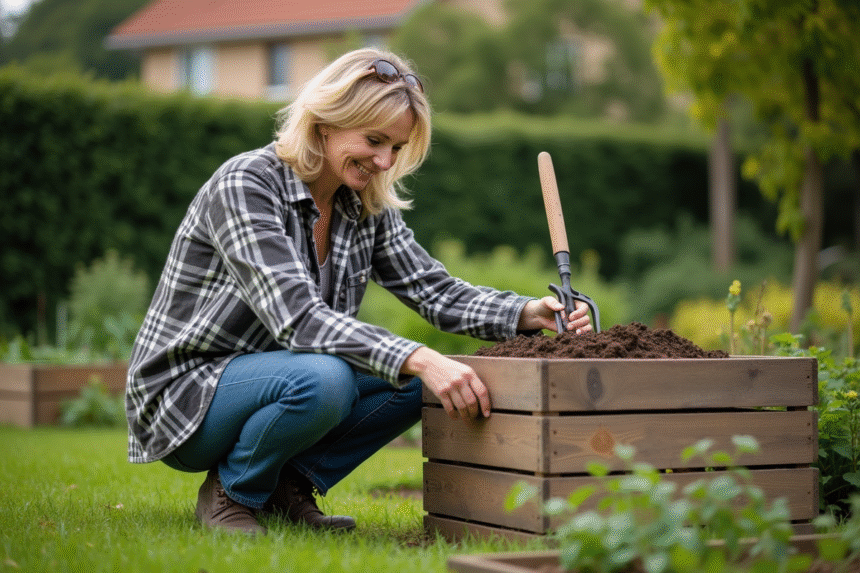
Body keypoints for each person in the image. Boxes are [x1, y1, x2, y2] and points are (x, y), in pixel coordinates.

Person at [126, 47, 592, 536]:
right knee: (329, 380)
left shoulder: (362, 207)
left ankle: (288, 485)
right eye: (374, 140)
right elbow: (298, 320)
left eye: (397, 147)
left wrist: (527, 312)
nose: (385, 160)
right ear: (326, 121)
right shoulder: (247, 184)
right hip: (186, 394)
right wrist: (419, 355)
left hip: (283, 373)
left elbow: (434, 292)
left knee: (425, 383)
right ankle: (232, 491)